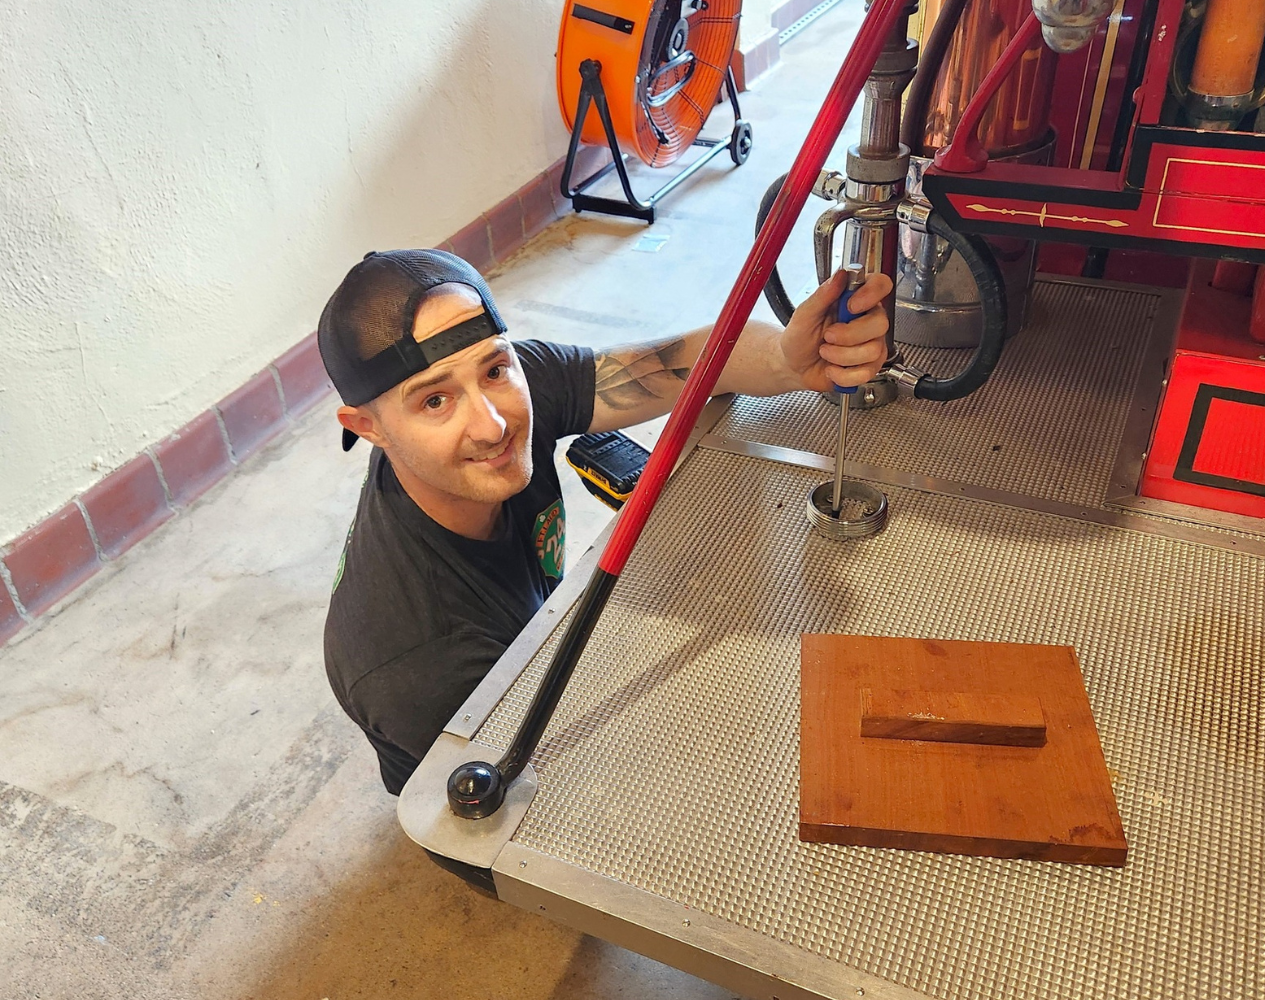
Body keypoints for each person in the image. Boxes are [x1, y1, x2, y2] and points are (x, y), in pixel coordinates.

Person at [318, 248, 891, 794]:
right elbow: (562, 785)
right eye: (434, 402)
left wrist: (788, 360)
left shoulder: (501, 389)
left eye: (495, 369)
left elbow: (677, 362)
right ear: (367, 426)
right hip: (465, 760)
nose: (492, 426)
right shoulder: (417, 664)